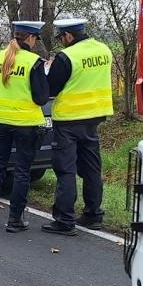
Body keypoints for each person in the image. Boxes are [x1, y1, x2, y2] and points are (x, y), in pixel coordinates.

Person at [44, 16, 114, 234]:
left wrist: (48, 71)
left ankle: (64, 220)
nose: (61, 42)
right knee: (92, 168)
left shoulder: (67, 57)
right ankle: (93, 215)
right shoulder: (104, 50)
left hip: (68, 120)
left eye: (61, 38)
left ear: (68, 36)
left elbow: (51, 89)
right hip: (94, 118)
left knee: (66, 170)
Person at [0, 21, 50, 232]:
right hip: (26, 124)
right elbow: (41, 98)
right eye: (36, 39)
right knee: (21, 171)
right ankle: (15, 219)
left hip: (1, 122)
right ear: (30, 38)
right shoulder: (34, 62)